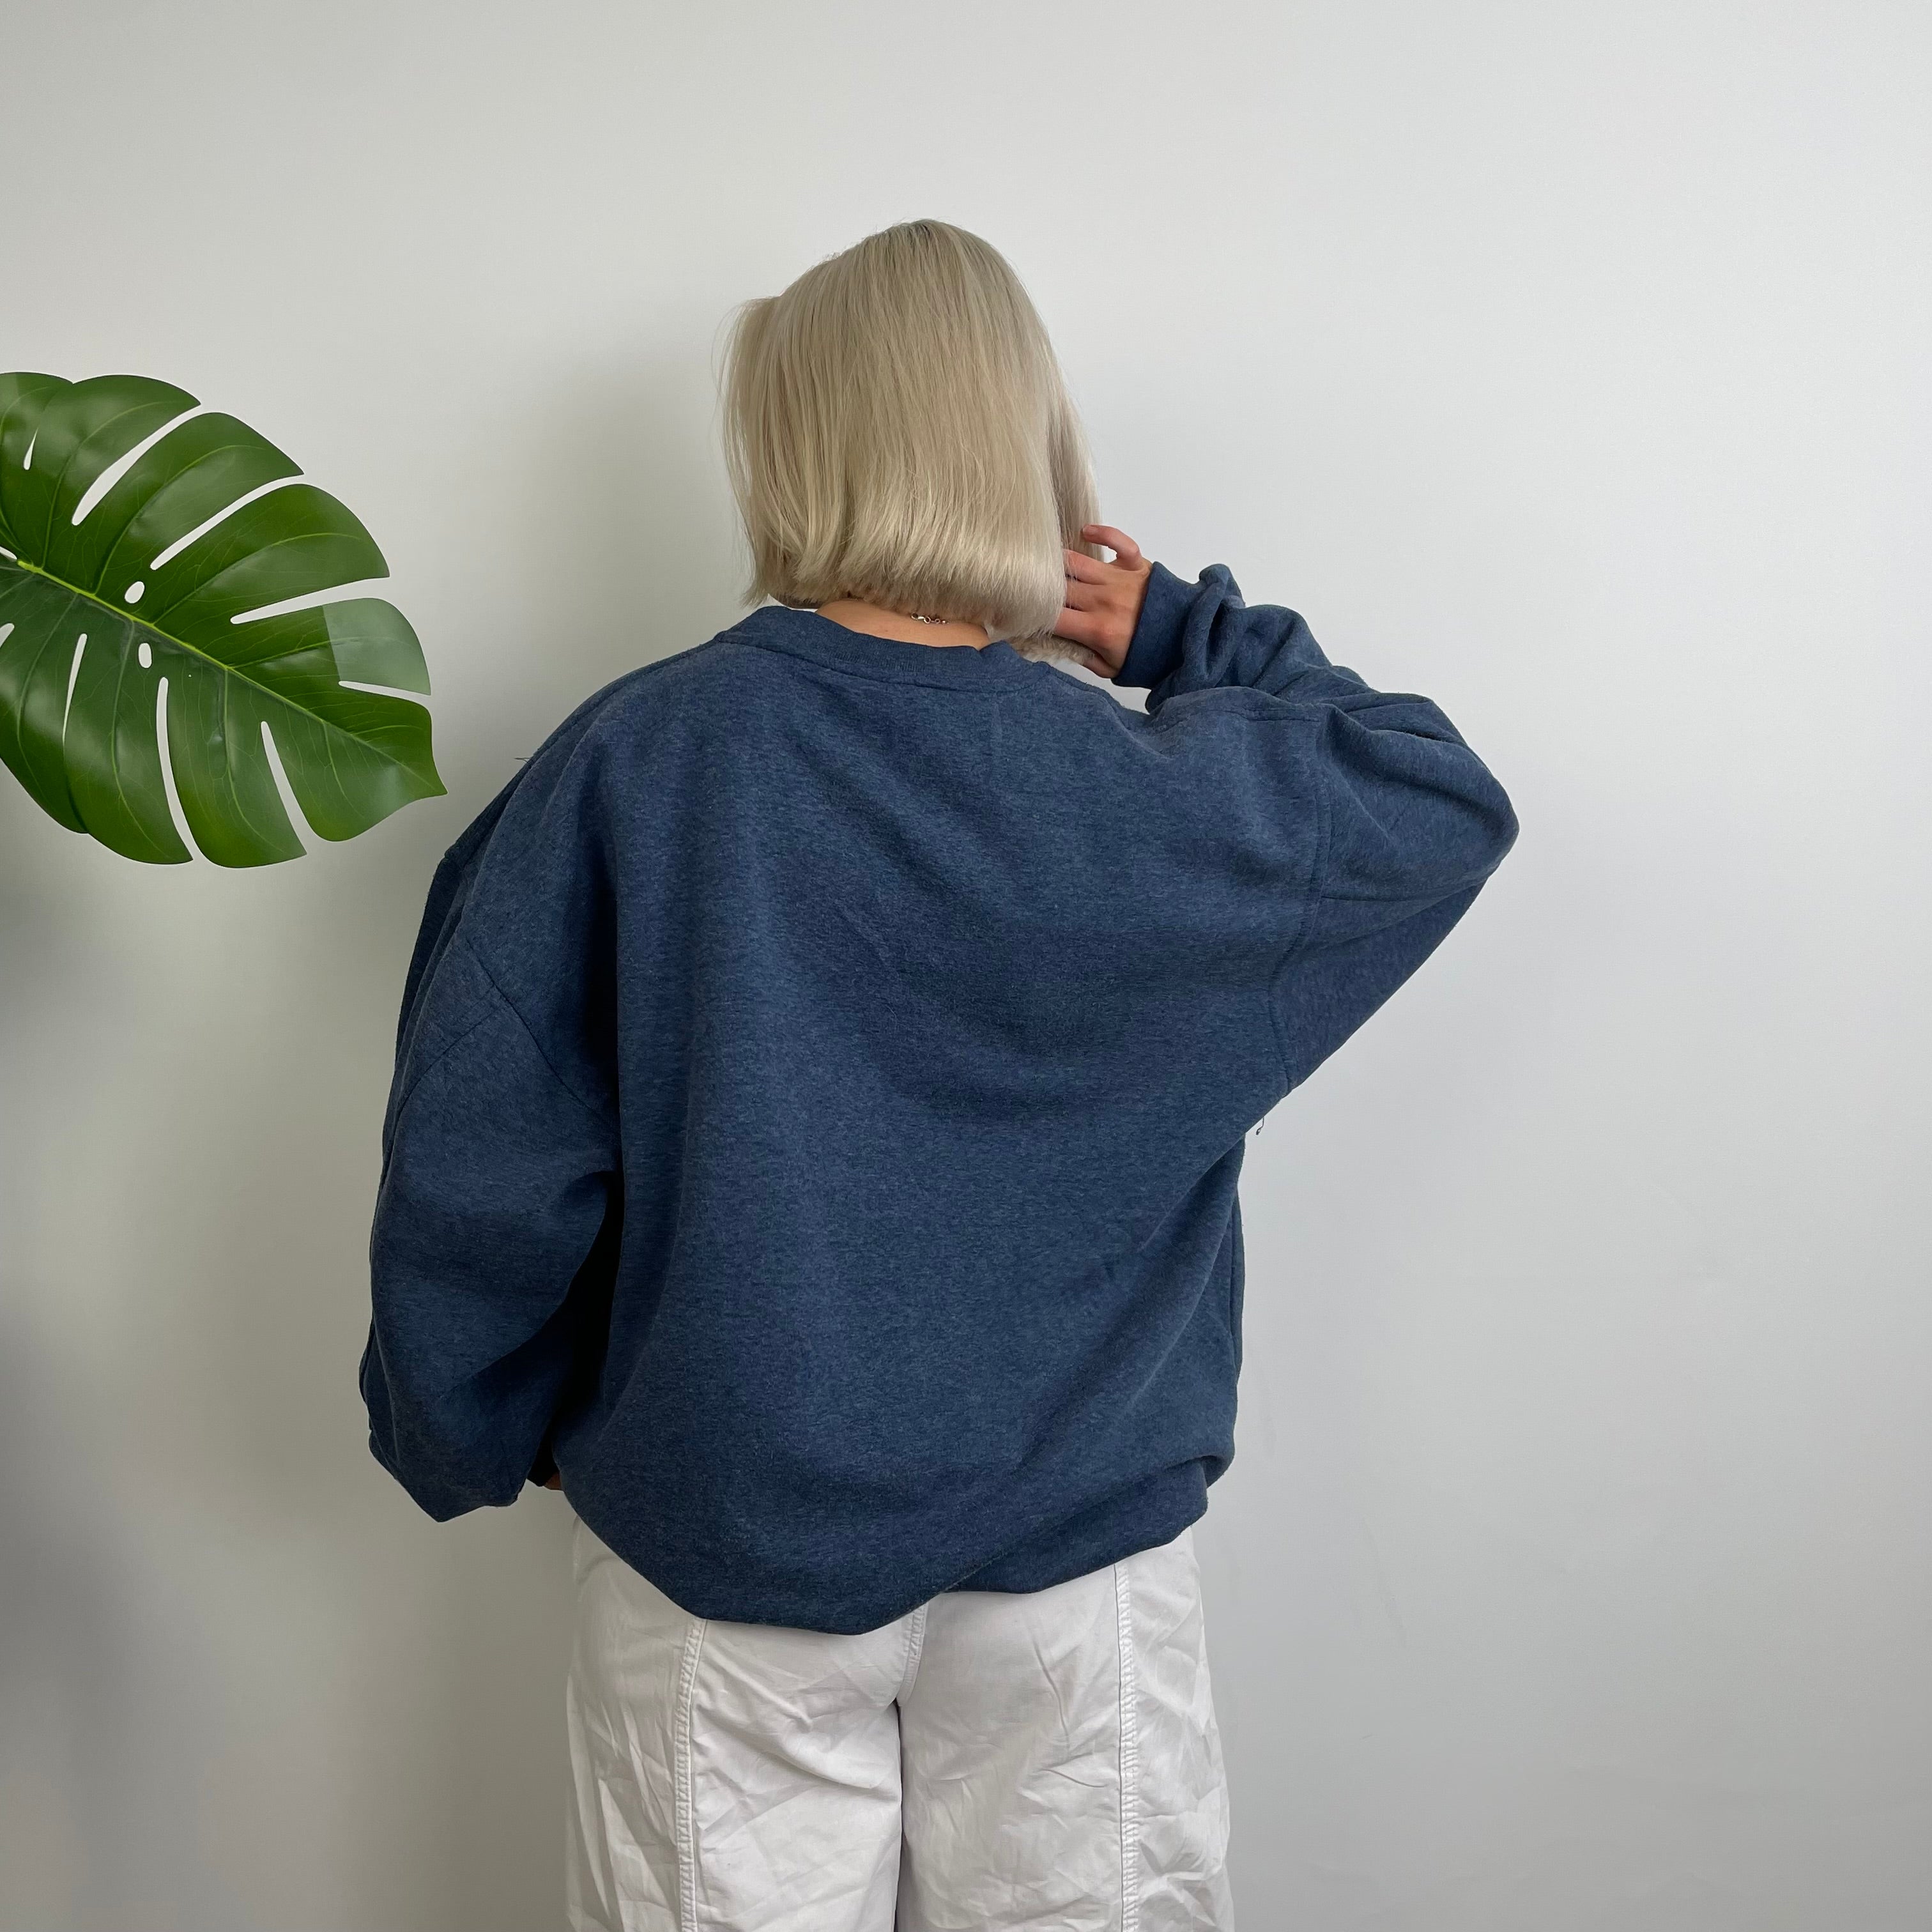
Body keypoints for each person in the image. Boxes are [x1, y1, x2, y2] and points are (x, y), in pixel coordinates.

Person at [359, 218, 1517, 1931]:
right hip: (1080, 1567)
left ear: (790, 444)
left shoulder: (635, 759)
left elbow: (485, 1153)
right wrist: (1186, 634)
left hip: (722, 1556)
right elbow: (1432, 796)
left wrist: (465, 1423)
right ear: (1019, 447)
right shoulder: (1162, 795)